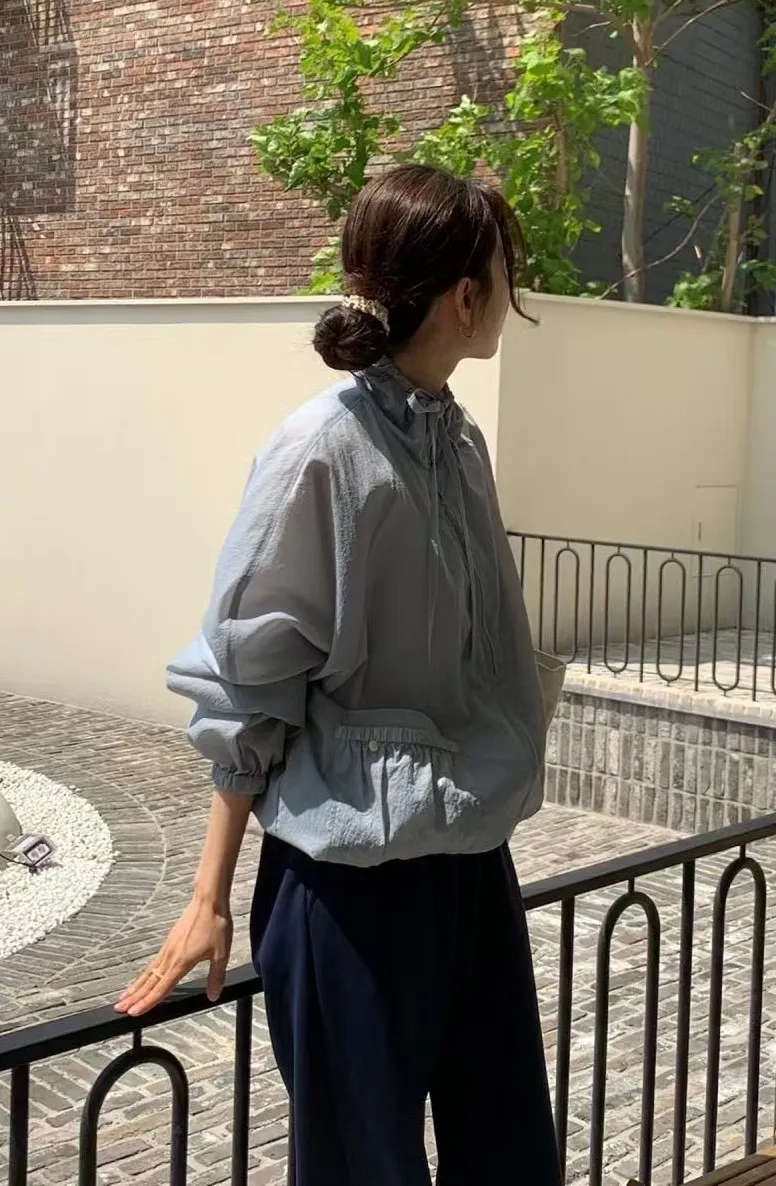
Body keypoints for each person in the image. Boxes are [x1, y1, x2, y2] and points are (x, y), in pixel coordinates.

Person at [117, 163, 563, 1186]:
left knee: (510, 1158)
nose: (514, 294)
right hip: (348, 893)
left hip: (468, 866)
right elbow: (248, 683)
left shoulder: (459, 441)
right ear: (465, 297)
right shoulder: (319, 450)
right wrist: (209, 896)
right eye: (506, 273)